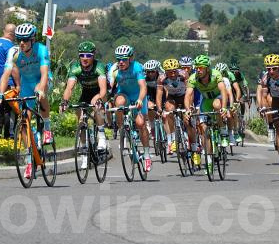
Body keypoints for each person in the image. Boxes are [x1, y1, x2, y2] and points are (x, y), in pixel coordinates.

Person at [0, 23, 53, 179]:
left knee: (39, 92)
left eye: (25, 40)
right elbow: (5, 74)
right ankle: (30, 160)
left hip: (42, 80)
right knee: (23, 120)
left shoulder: (41, 50)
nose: (21, 43)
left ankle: (47, 126)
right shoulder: (14, 52)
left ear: (33, 39)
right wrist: (1, 94)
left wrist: (42, 89)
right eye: (19, 39)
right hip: (26, 84)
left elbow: (44, 74)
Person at [60, 41, 108, 159]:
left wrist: (99, 98)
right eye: (82, 55)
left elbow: (103, 90)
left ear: (93, 56)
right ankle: (84, 147)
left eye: (88, 55)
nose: (85, 58)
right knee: (81, 119)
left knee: (97, 106)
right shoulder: (75, 67)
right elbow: (69, 88)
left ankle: (101, 135)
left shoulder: (99, 67)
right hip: (86, 92)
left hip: (99, 92)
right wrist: (64, 101)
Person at [108, 44, 152, 172]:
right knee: (119, 103)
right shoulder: (114, 69)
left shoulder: (137, 67)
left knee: (141, 123)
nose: (121, 62)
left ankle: (147, 154)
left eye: (124, 59)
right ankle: (123, 130)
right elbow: (110, 87)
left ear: (130, 59)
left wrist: (139, 100)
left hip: (139, 97)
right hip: (124, 95)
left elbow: (143, 86)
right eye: (118, 59)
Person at [184, 54, 227, 168]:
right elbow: (188, 95)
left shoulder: (216, 74)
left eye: (201, 67)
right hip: (206, 101)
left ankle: (223, 131)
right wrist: (188, 110)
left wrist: (224, 108)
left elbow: (223, 90)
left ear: (207, 68)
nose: (198, 70)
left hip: (218, 98)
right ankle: (209, 160)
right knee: (204, 129)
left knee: (217, 105)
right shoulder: (193, 78)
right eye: (197, 67)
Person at [156, 57, 191, 154]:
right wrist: (159, 109)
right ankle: (173, 137)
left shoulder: (184, 74)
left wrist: (190, 105)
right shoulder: (161, 78)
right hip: (172, 97)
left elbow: (190, 91)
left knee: (187, 118)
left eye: (174, 72)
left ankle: (188, 137)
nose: (172, 74)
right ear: (165, 72)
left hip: (184, 96)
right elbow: (159, 94)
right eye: (169, 72)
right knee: (168, 110)